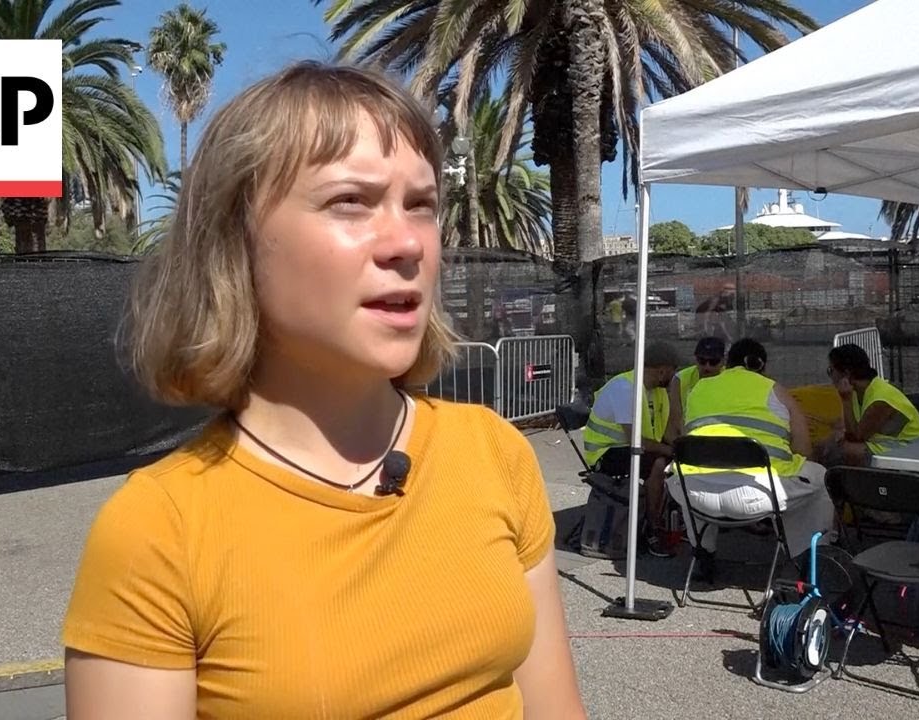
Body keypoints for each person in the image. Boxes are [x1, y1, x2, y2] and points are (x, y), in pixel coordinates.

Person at [60, 62, 586, 720]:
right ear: (235, 241)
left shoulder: (495, 453)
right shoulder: (157, 532)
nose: (405, 243)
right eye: (350, 202)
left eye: (420, 204)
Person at [671, 338, 835, 582]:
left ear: (728, 363)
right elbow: (803, 450)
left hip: (698, 497)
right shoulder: (775, 390)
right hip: (759, 494)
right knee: (820, 477)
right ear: (761, 365)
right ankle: (805, 560)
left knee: (686, 474)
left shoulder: (697, 390)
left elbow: (688, 439)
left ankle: (703, 552)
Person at [582, 340, 679, 557]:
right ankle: (653, 530)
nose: (675, 377)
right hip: (604, 453)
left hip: (632, 448)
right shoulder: (625, 389)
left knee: (670, 460)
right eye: (673, 372)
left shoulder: (657, 391)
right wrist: (669, 451)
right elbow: (637, 441)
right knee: (659, 464)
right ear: (662, 370)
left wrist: (680, 446)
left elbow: (666, 432)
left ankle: (665, 520)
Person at [816, 343, 919, 466]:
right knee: (825, 444)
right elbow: (849, 428)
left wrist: (845, 400)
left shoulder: (880, 399)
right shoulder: (857, 391)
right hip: (884, 442)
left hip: (910, 447)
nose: (831, 376)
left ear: (846, 373)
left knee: (848, 451)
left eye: (831, 371)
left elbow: (856, 437)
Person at [666, 336, 727, 440]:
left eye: (713, 362)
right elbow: (675, 416)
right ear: (695, 359)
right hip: (689, 434)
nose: (707, 367)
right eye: (702, 361)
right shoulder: (681, 379)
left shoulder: (729, 378)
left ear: (723, 361)